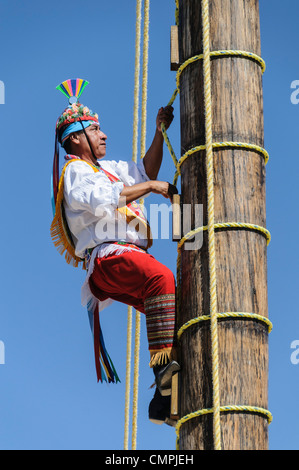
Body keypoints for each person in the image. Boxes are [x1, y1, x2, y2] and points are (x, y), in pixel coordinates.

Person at [51, 79, 180, 426]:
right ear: (76, 138)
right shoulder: (75, 171)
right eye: (96, 130)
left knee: (174, 313)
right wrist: (152, 188)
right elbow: (109, 199)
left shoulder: (106, 170)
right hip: (109, 256)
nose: (104, 135)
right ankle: (166, 376)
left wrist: (158, 132)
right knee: (161, 278)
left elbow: (144, 170)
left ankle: (162, 401)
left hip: (124, 259)